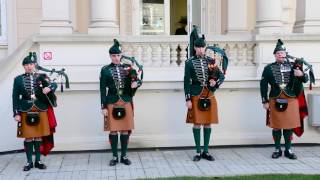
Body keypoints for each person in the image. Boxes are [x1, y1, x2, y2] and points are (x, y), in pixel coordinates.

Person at [260, 39, 309, 160]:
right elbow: (263, 85)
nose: (281, 55)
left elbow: (305, 79)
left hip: (291, 99)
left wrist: (301, 74)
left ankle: (288, 149)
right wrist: (264, 101)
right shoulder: (268, 68)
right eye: (278, 53)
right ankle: (277, 149)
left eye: (282, 53)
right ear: (275, 55)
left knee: (289, 126)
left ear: (286, 54)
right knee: (276, 126)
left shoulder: (294, 66)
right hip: (275, 99)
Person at [100, 39, 142, 166]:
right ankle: (114, 156)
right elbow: (102, 89)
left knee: (124, 130)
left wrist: (136, 83)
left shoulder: (128, 68)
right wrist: (103, 106)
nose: (116, 58)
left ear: (121, 55)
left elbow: (138, 80)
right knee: (113, 130)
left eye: (118, 55)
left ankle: (124, 156)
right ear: (110, 56)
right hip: (111, 102)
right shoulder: (105, 70)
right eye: (113, 56)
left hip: (126, 101)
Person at [12, 52, 58, 171]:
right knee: (28, 137)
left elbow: (54, 84)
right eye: (26, 64)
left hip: (41, 108)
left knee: (38, 137)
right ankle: (28, 162)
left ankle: (38, 161)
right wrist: (16, 113)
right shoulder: (18, 80)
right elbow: (15, 97)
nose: (29, 66)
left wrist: (50, 88)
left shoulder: (41, 76)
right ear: (24, 66)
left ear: (34, 65)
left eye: (31, 64)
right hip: (25, 109)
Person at [184, 37, 225, 161]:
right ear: (195, 48)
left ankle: (206, 151)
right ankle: (197, 152)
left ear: (205, 48)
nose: (201, 49)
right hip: (196, 94)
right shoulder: (189, 62)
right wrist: (188, 99)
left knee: (208, 123)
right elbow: (186, 81)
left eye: (203, 47)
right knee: (197, 123)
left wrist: (215, 83)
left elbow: (221, 76)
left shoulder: (211, 61)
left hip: (209, 94)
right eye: (199, 47)